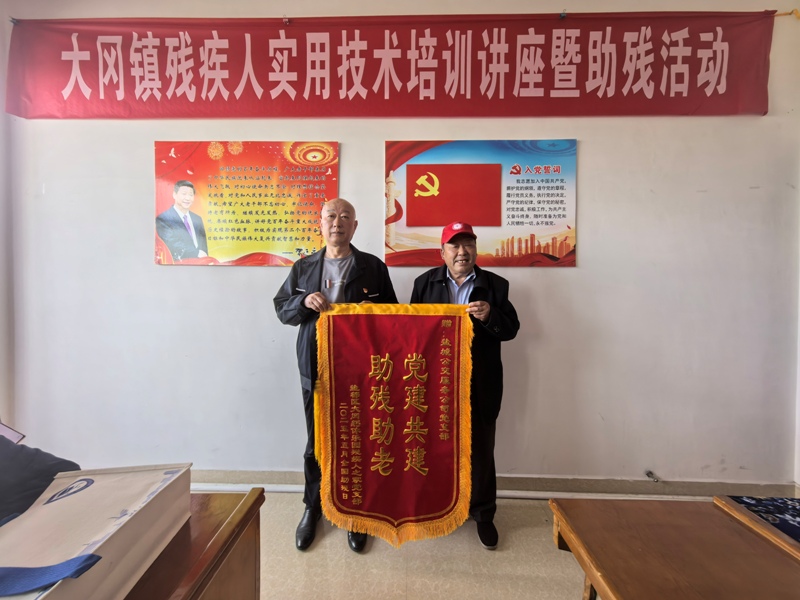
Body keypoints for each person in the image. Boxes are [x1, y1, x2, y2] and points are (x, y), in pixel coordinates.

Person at [274, 198, 398, 553]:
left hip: (360, 369)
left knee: (358, 439)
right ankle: (312, 508)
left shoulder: (372, 267)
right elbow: (282, 310)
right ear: (321, 223)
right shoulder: (303, 267)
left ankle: (356, 511)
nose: (337, 222)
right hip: (315, 366)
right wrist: (303, 303)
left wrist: (374, 311)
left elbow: (395, 315)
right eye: (331, 216)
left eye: (345, 217)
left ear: (355, 226)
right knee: (317, 440)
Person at [410, 221, 519, 550]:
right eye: (455, 245)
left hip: (481, 380)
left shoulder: (496, 285)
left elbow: (511, 329)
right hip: (435, 383)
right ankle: (435, 507)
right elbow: (411, 333)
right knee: (433, 446)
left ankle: (483, 514)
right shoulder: (424, 283)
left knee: (481, 448)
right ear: (442, 252)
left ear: (475, 249)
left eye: (468, 244)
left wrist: (490, 316)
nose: (462, 251)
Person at [155, 180, 209, 261]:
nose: (187, 198)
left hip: (201, 263)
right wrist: (196, 253)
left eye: (191, 195)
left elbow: (203, 245)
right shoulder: (163, 219)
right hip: (178, 264)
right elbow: (171, 244)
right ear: (174, 195)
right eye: (184, 194)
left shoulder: (197, 219)